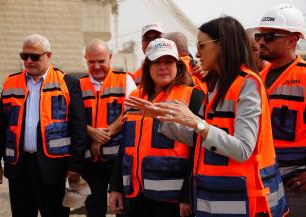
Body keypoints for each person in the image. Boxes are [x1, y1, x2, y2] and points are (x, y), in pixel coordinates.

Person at [125, 16, 288, 217]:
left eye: (202, 45)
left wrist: (197, 123)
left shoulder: (248, 84)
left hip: (246, 202)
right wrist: (160, 117)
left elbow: (243, 149)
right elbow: (200, 139)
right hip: (216, 198)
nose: (197, 53)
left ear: (222, 46)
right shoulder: (217, 85)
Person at [0, 34, 87, 217]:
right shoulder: (11, 83)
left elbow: (79, 129)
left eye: (35, 56)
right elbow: (0, 127)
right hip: (19, 167)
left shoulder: (68, 84)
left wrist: (75, 167)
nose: (29, 61)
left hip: (53, 169)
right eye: (24, 56)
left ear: (48, 55)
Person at [109, 38, 205, 217]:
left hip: (173, 200)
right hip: (135, 196)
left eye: (168, 61)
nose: (163, 67)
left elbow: (199, 151)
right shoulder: (136, 96)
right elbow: (124, 147)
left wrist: (187, 196)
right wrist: (115, 187)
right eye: (156, 62)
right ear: (148, 66)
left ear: (178, 65)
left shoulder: (193, 96)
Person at [256, 4, 306, 217]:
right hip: (265, 179)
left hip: (296, 184)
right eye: (259, 36)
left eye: (269, 37)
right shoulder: (258, 77)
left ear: (293, 40)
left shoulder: (304, 76)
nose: (260, 42)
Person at [79, 38, 137, 217]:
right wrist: (91, 132)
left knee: (122, 207)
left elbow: (132, 112)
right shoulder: (77, 85)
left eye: (101, 61)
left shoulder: (125, 80)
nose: (96, 66)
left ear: (110, 57)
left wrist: (105, 134)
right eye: (92, 61)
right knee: (94, 208)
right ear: (86, 59)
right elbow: (72, 118)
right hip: (89, 161)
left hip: (118, 160)